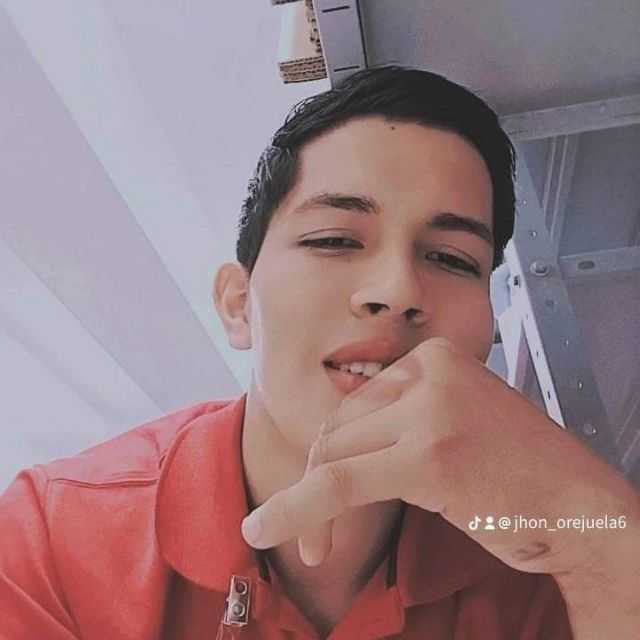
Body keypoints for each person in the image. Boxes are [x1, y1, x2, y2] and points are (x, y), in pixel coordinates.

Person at [1, 66, 638, 640]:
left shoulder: (550, 549)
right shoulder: (50, 538)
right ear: (239, 305)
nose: (397, 291)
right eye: (334, 239)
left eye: (450, 258)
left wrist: (601, 536)